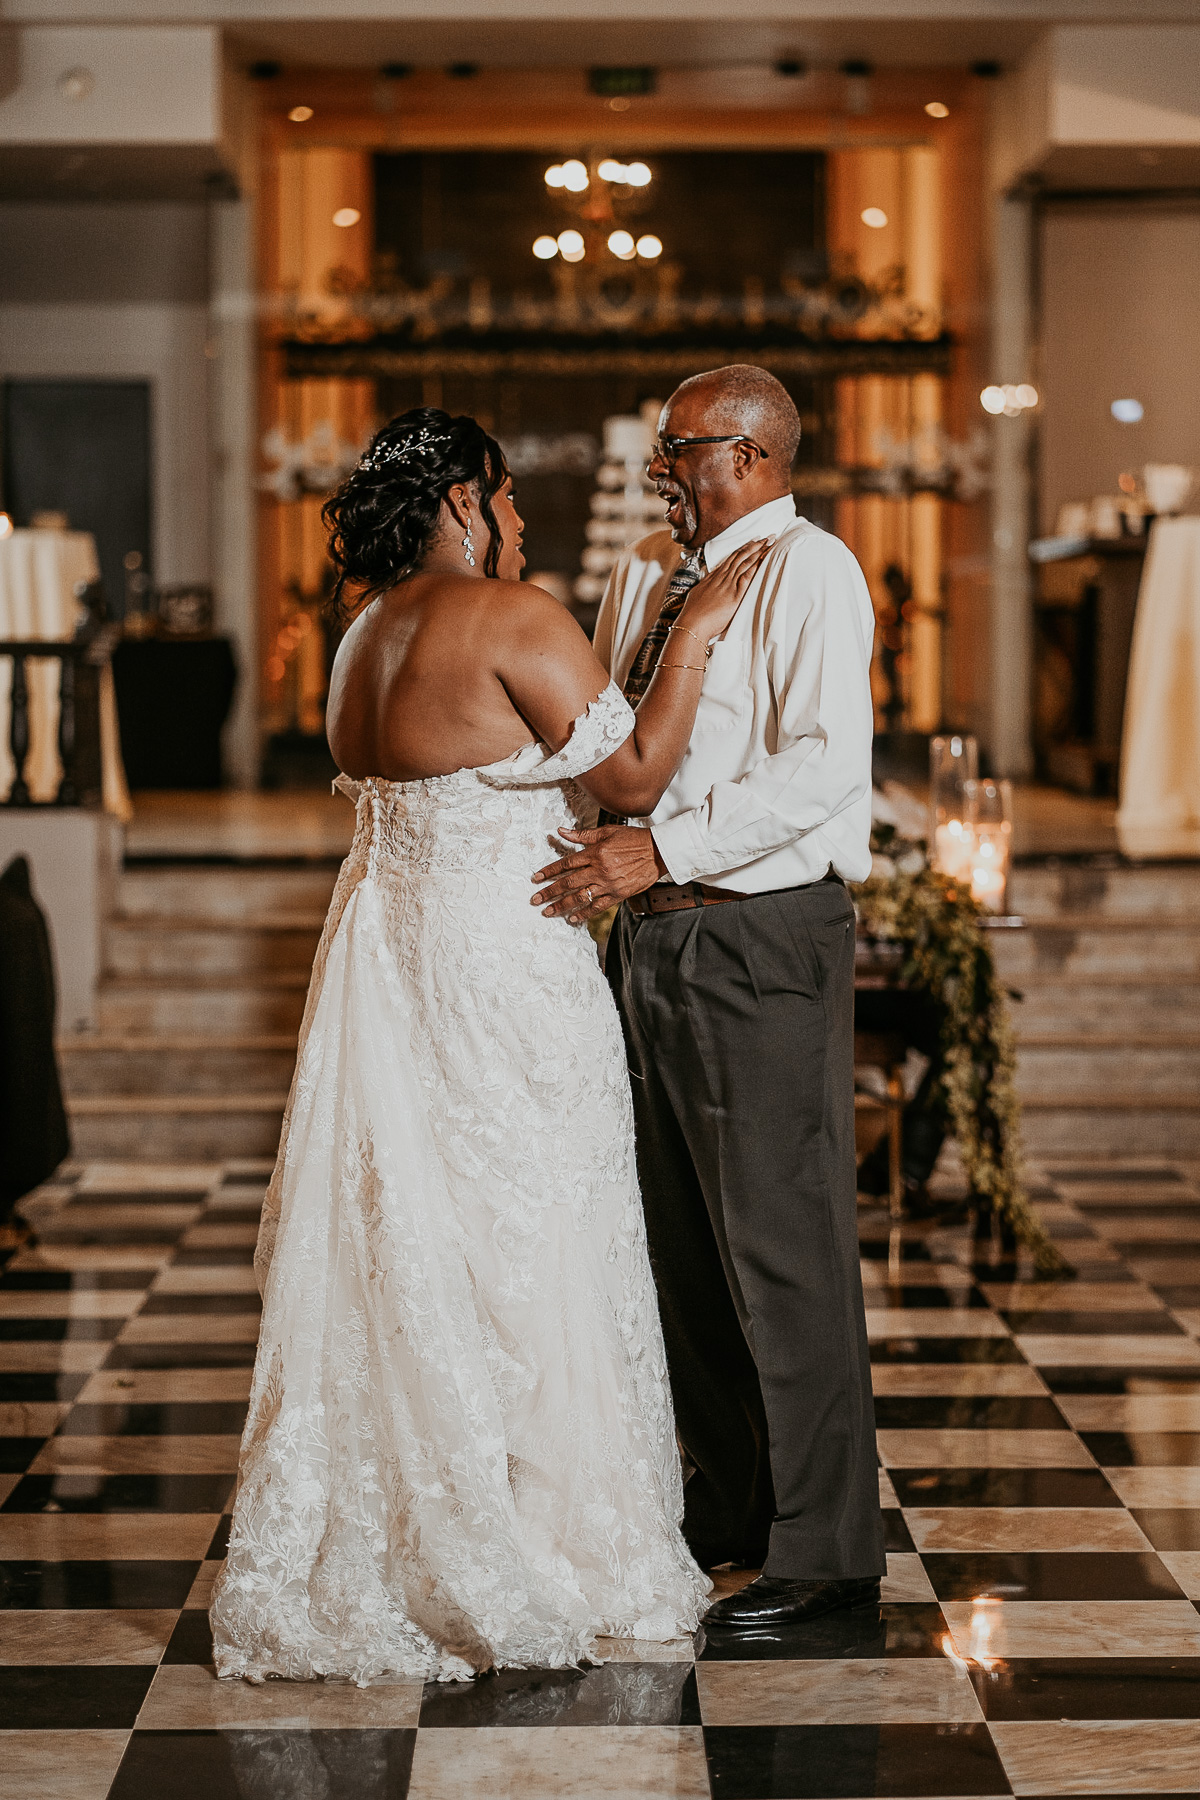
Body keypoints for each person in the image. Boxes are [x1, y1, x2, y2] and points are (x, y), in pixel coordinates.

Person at [210, 406, 770, 1684]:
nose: (520, 522)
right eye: (509, 498)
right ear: (464, 500)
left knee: (416, 1237)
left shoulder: (363, 635)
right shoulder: (513, 618)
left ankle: (412, 1539)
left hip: (385, 960)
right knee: (537, 1232)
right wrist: (692, 636)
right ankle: (547, 1542)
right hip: (502, 966)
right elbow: (628, 783)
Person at [531, 365, 886, 1629]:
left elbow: (821, 772)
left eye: (675, 453)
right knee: (680, 1240)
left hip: (760, 937)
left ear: (747, 452)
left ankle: (828, 1548)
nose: (659, 477)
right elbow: (618, 739)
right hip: (654, 939)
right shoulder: (640, 570)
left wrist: (664, 854)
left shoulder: (815, 574)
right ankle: (732, 1499)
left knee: (782, 1248)